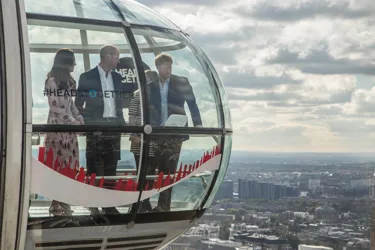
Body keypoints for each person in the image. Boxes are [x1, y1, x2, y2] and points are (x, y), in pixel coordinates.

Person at [75, 44, 132, 215]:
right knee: (93, 166)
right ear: (107, 56)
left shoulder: (117, 78)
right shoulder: (87, 77)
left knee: (111, 167)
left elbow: (120, 103)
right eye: (116, 57)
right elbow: (78, 103)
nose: (118, 60)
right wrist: (89, 122)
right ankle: (93, 205)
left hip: (114, 126)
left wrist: (123, 122)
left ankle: (108, 205)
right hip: (96, 128)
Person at [148, 54, 202, 211]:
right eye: (166, 67)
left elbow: (193, 104)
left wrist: (198, 124)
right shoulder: (151, 86)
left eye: (171, 67)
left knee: (169, 170)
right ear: (158, 68)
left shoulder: (181, 82)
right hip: (156, 134)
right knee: (152, 170)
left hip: (174, 134)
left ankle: (163, 206)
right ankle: (145, 203)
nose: (169, 70)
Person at [43, 48, 84, 216]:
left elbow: (69, 105)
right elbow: (56, 107)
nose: (74, 63)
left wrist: (79, 117)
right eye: (72, 60)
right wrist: (73, 121)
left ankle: (63, 200)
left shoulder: (66, 81)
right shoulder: (52, 81)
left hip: (68, 128)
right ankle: (56, 202)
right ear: (66, 62)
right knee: (58, 165)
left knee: (69, 165)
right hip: (58, 128)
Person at [129, 70, 159, 212]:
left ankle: (144, 203)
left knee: (150, 174)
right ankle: (141, 204)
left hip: (154, 143)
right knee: (143, 173)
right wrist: (135, 134)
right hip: (140, 142)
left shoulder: (155, 98)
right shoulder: (137, 96)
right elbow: (133, 117)